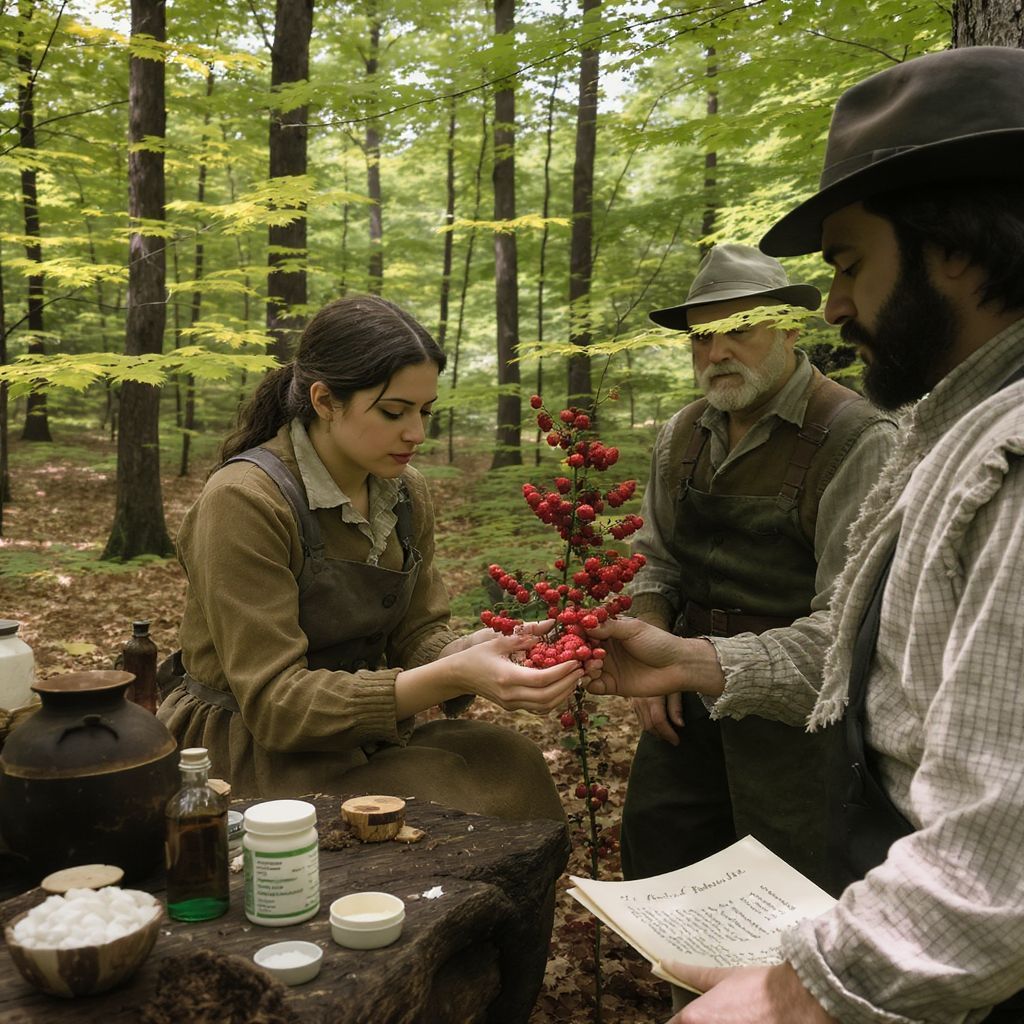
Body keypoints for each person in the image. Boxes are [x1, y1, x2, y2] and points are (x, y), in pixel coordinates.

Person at [588, 46, 1024, 1023]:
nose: (834, 304)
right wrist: (663, 642)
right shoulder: (942, 428)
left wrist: (801, 992)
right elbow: (655, 555)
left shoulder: (974, 451)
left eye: (846, 264)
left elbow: (1001, 842)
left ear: (950, 249)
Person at [158, 294, 582, 819]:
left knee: (507, 763)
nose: (417, 434)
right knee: (446, 808)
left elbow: (417, 632)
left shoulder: (404, 493)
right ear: (325, 400)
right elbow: (275, 704)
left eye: (424, 412)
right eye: (393, 411)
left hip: (363, 737)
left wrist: (474, 649)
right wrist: (455, 676)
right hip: (252, 756)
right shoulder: (245, 500)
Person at [623, 243, 894, 889]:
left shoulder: (856, 439)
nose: (716, 353)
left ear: (790, 327)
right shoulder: (682, 434)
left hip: (803, 729)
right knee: (666, 875)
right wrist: (657, 655)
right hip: (684, 712)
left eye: (739, 331)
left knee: (787, 896)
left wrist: (686, 662)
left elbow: (849, 633)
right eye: (701, 339)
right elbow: (655, 563)